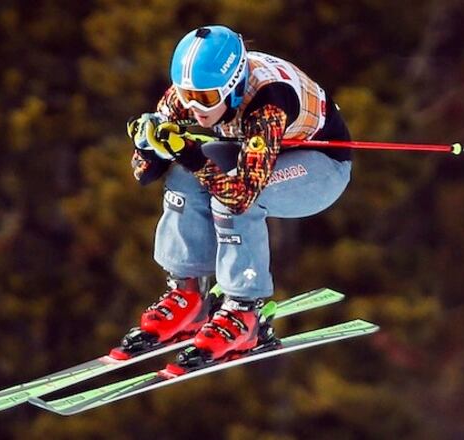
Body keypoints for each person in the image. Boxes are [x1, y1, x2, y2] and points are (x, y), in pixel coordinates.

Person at [117, 25, 352, 365]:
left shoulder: (268, 101)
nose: (195, 107)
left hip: (321, 169)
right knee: (184, 176)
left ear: (234, 86)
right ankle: (188, 293)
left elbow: (241, 196)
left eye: (207, 98)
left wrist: (191, 154)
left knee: (232, 200)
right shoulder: (186, 96)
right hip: (261, 156)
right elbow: (143, 174)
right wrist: (149, 146)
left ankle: (244, 311)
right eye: (186, 94)